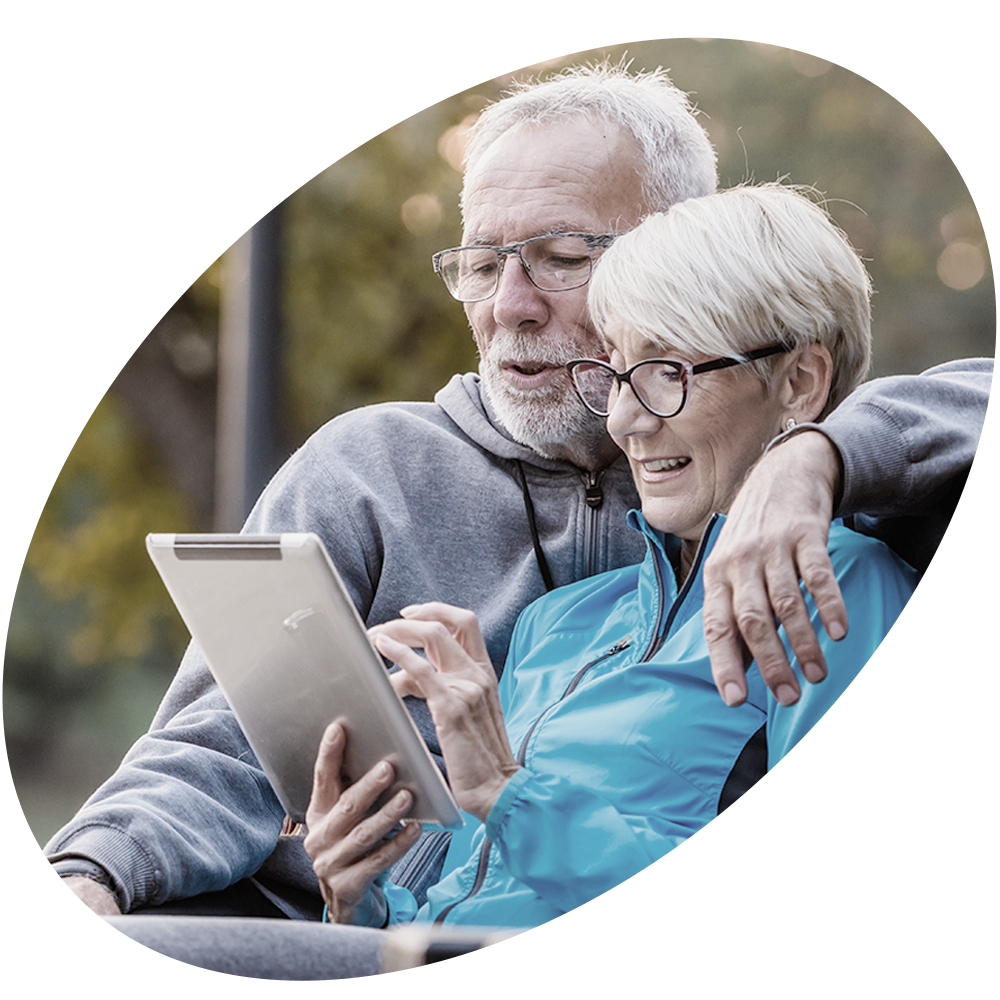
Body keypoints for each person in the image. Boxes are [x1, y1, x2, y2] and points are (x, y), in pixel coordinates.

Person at [45, 63, 991, 923]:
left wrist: (815, 459)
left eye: (565, 258)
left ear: (675, 256)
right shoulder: (386, 483)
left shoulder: (809, 523)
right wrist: (102, 877)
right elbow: (217, 746)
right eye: (483, 264)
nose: (510, 306)